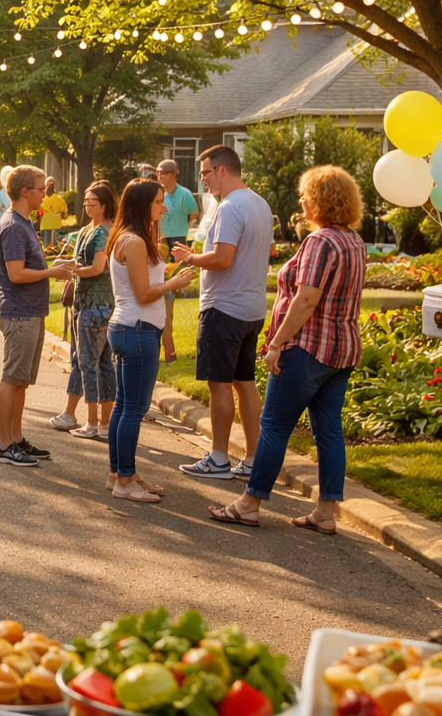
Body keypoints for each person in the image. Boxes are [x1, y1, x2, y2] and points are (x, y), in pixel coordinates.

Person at [208, 166, 367, 531]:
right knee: (329, 431)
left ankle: (249, 503)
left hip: (308, 347)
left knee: (274, 427)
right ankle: (325, 513)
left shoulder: (321, 242)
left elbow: (307, 298)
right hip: (342, 350)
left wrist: (277, 342)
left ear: (322, 200)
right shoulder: (353, 240)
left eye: (306, 195)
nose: (301, 201)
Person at [171, 144, 274, 479]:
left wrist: (190, 258)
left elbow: (221, 258)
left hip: (223, 308)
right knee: (245, 383)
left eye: (204, 173)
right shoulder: (259, 203)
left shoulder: (229, 207)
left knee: (219, 384)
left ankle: (218, 458)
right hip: (252, 308)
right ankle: (254, 458)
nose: (202, 181)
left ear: (221, 170)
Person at [107, 179, 194, 501]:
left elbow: (141, 282)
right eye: (159, 201)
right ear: (144, 204)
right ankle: (125, 481)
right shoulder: (135, 242)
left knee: (124, 406)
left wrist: (171, 271)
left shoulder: (132, 238)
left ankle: (120, 473)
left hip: (132, 328)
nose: (165, 207)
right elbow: (144, 294)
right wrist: (175, 283)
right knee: (133, 409)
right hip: (137, 329)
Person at [0, 166, 74, 466]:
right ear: (26, 191)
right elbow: (15, 274)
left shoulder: (23, 222)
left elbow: (26, 266)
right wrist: (53, 271)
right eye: (41, 188)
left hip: (29, 313)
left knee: (21, 381)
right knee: (11, 379)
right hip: (19, 314)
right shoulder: (13, 226)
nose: (45, 193)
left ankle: (16, 438)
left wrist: (53, 265)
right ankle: (3, 445)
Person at [50, 182, 118, 439]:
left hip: (97, 305)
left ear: (105, 205)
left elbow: (98, 268)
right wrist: (66, 265)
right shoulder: (86, 230)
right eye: (86, 200)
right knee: (97, 362)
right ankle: (102, 423)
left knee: (90, 363)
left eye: (93, 201)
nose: (87, 205)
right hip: (87, 303)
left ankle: (94, 423)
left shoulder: (103, 232)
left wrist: (71, 271)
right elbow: (81, 263)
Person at [157, 159, 200, 362]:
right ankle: (166, 349)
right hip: (160, 240)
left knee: (172, 282)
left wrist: (190, 229)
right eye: (158, 172)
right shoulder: (157, 194)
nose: (160, 176)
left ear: (175, 173)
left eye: (164, 172)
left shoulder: (184, 194)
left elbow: (195, 213)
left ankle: (169, 349)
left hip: (179, 239)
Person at [39, 177, 66, 252]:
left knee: (46, 247)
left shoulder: (42, 199)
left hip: (45, 224)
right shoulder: (60, 199)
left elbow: (40, 213)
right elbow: (64, 212)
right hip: (57, 224)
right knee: (56, 246)